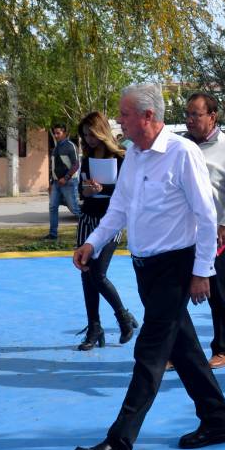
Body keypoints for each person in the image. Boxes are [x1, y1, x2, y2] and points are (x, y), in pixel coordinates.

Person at [71, 84, 225, 450]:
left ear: (147, 116)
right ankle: (217, 420)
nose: (118, 121)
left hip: (177, 269)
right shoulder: (135, 157)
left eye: (124, 114)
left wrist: (201, 273)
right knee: (186, 350)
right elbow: (119, 209)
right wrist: (92, 243)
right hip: (145, 268)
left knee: (150, 354)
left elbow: (207, 217)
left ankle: (118, 443)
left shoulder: (182, 154)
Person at [183, 91, 225, 368]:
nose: (189, 120)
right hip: (181, 234)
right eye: (186, 114)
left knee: (218, 292)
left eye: (195, 115)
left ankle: (223, 348)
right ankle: (177, 350)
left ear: (212, 117)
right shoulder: (181, 145)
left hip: (215, 235)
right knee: (175, 294)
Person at [74, 110, 138, 351]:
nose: (89, 139)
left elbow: (126, 194)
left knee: (98, 274)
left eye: (91, 134)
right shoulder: (87, 157)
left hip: (110, 221)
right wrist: (86, 191)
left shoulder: (121, 157)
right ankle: (94, 327)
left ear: (101, 131)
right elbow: (81, 190)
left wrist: (105, 188)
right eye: (84, 135)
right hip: (88, 218)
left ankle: (123, 317)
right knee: (86, 273)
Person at [43, 123, 81, 241]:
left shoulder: (70, 146)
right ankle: (53, 234)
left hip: (69, 183)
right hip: (56, 183)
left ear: (64, 133)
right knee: (53, 207)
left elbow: (76, 164)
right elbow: (54, 167)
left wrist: (66, 178)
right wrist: (51, 182)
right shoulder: (56, 148)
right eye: (54, 133)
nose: (56, 135)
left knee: (74, 208)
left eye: (58, 133)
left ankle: (92, 229)